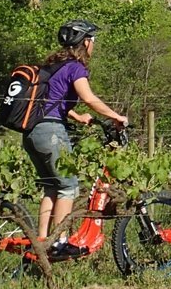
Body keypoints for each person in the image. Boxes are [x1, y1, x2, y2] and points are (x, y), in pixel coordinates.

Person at [23, 19, 128, 259]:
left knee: (51, 186)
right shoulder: (76, 67)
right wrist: (116, 117)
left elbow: (50, 100)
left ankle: (42, 240)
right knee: (68, 186)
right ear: (85, 42)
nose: (94, 45)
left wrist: (75, 115)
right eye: (93, 40)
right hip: (50, 131)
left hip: (32, 131)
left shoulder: (53, 65)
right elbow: (89, 98)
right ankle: (59, 241)